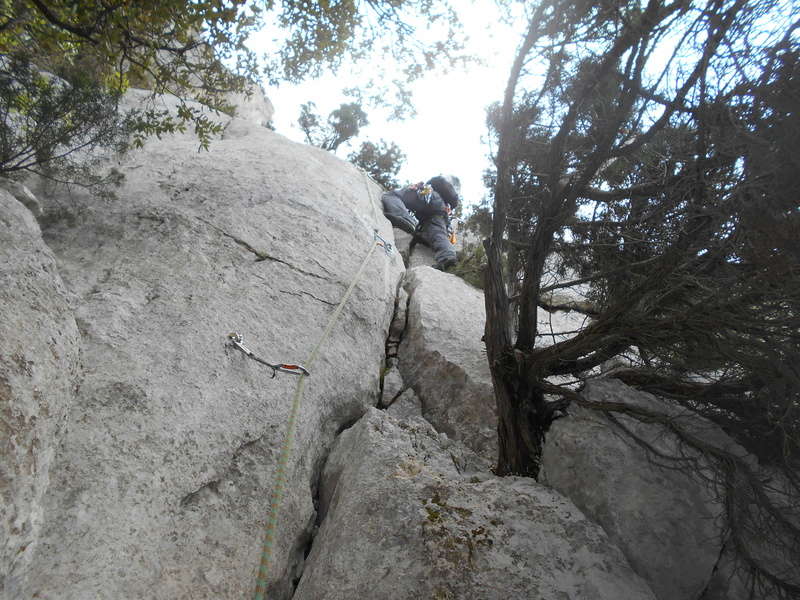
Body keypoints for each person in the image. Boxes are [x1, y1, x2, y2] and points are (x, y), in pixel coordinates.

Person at [381, 175, 461, 270]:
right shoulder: (448, 196)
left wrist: (415, 188)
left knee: (392, 195)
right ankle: (448, 257)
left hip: (429, 195)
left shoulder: (437, 184)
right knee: (437, 232)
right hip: (441, 209)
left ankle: (404, 218)